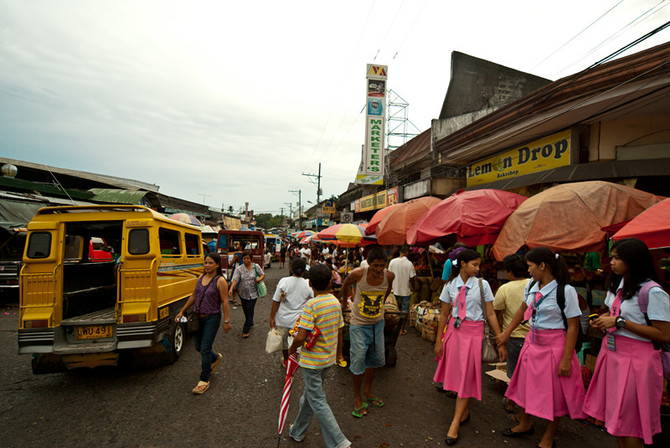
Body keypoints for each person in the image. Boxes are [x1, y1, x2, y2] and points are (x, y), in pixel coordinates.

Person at [496, 247, 586, 448]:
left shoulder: (566, 291)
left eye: (530, 266)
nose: (527, 270)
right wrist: (506, 333)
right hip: (532, 343)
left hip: (554, 349)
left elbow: (572, 327)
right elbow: (522, 309)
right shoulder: (532, 285)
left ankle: (549, 436)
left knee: (553, 393)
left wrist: (566, 358)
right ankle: (524, 423)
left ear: (542, 266)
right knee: (524, 386)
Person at [584, 238, 670, 447]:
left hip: (637, 362)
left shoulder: (652, 292)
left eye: (616, 258)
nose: (611, 262)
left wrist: (620, 322)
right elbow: (612, 313)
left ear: (633, 260)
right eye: (612, 257)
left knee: (631, 424)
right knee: (618, 422)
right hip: (614, 355)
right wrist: (603, 321)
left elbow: (664, 334)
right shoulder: (618, 285)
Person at [433, 248, 504, 445]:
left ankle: (455, 422)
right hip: (454, 334)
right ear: (463, 264)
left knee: (466, 377)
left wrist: (500, 338)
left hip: (475, 334)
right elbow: (444, 314)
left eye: (478, 264)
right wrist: (439, 340)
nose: (477, 268)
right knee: (457, 375)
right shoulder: (449, 286)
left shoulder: (483, 285)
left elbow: (490, 314)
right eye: (474, 264)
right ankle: (463, 412)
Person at [287, 264, 351, 448]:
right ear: (331, 282)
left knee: (317, 400)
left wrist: (291, 350)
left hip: (311, 362)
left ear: (310, 283)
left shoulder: (311, 305)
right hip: (327, 360)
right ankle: (297, 431)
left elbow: (300, 336)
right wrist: (338, 355)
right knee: (309, 396)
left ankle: (340, 442)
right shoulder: (334, 302)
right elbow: (339, 330)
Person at [340, 246, 394, 418]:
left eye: (382, 266)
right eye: (375, 266)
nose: (379, 269)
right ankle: (357, 397)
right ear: (368, 263)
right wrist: (343, 302)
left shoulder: (390, 276)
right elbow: (345, 284)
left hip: (377, 323)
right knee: (358, 359)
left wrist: (381, 307)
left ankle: (368, 392)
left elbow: (386, 292)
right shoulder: (358, 274)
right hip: (358, 324)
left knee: (375, 358)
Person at [175, 252, 232, 394]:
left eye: (210, 263)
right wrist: (182, 311)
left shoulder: (220, 281)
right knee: (198, 346)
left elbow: (225, 301)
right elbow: (194, 296)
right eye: (205, 262)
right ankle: (215, 357)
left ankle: (204, 379)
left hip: (212, 318)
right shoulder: (200, 278)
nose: (207, 265)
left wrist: (227, 321)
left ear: (217, 264)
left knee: (205, 348)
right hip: (197, 317)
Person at [493, 254, 530, 418]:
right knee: (528, 375)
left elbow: (495, 311)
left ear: (509, 272)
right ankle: (519, 404)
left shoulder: (505, 289)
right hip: (533, 338)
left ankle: (513, 403)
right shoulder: (535, 284)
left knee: (514, 374)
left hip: (513, 336)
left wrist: (500, 339)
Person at [270, 258, 313, 366]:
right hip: (299, 322)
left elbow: (276, 301)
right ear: (304, 271)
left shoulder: (283, 281)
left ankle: (286, 360)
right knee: (295, 344)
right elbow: (312, 302)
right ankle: (292, 363)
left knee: (284, 344)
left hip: (282, 319)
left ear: (291, 269)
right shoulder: (308, 284)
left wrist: (272, 318)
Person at [228, 251, 265, 338]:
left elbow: (262, 274)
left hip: (253, 294)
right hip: (243, 294)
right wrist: (231, 288)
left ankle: (245, 330)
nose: (246, 260)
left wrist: (260, 279)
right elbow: (235, 279)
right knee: (246, 310)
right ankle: (250, 320)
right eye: (244, 258)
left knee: (249, 309)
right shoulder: (240, 269)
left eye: (247, 258)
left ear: (251, 259)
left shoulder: (256, 267)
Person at [388, 244, 416, 335]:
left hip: (393, 289)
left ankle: (391, 327)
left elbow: (388, 275)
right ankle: (401, 329)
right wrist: (414, 288)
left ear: (400, 252)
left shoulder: (392, 262)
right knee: (405, 310)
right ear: (407, 253)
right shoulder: (409, 264)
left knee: (391, 308)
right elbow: (412, 278)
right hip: (405, 291)